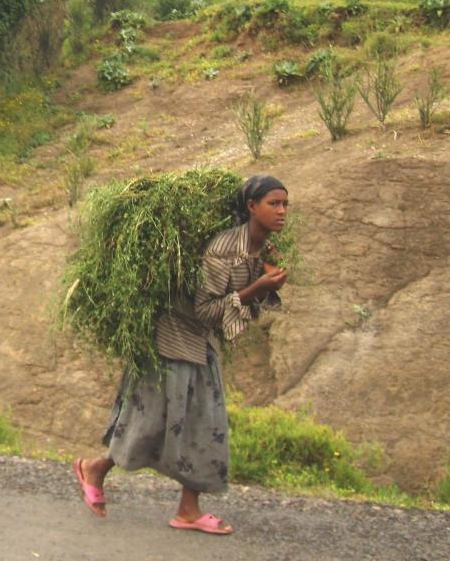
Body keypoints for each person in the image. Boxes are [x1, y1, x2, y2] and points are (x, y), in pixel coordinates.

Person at [73, 175, 290, 535]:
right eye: (274, 204)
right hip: (173, 340)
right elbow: (205, 309)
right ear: (252, 207)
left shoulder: (259, 247)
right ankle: (98, 468)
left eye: (285, 205)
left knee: (206, 423)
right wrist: (258, 288)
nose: (281, 211)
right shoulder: (224, 250)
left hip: (199, 342)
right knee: (152, 421)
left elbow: (239, 301)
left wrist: (268, 280)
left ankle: (188, 509)